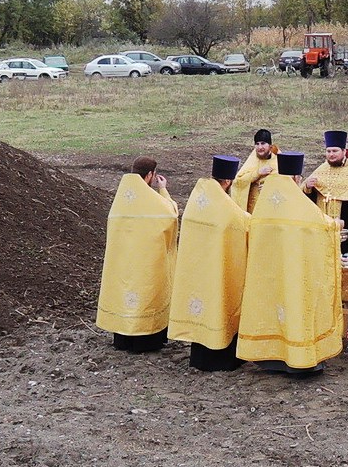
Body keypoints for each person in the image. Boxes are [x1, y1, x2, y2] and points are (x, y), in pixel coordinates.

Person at [236, 151, 343, 374]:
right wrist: (336, 225)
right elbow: (322, 225)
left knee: (271, 308)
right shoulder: (298, 201)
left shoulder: (267, 198)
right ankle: (300, 360)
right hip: (296, 273)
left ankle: (269, 357)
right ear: (296, 178)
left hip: (268, 274)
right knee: (297, 309)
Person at [167, 155, 251, 371]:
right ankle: (222, 360)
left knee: (202, 308)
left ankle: (199, 358)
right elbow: (243, 224)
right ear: (228, 182)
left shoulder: (198, 199)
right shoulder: (226, 207)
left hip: (197, 270)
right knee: (218, 307)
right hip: (218, 271)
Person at [96, 156, 179, 352]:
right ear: (150, 175)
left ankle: (122, 339)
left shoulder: (121, 198)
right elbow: (171, 214)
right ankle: (144, 341)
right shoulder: (153, 200)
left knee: (124, 294)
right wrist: (164, 190)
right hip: (145, 264)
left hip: (123, 263)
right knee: (145, 295)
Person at [302, 130, 348, 253]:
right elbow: (306, 196)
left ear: (343, 151)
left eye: (335, 151)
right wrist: (307, 187)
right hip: (324, 225)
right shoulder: (321, 170)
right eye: (328, 151)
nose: (331, 154)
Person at [231, 128, 278, 212]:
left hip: (270, 209)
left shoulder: (277, 161)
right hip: (251, 210)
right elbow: (238, 181)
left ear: (270, 146)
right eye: (257, 144)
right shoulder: (252, 160)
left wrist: (270, 187)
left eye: (263, 143)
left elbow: (285, 183)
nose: (260, 147)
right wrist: (258, 173)